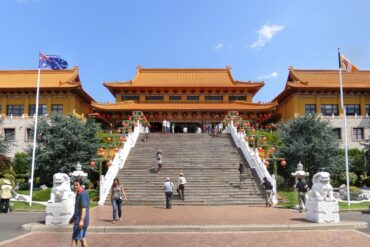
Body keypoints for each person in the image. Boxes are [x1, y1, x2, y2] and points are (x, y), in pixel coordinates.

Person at [70, 179, 90, 247]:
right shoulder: (79, 194)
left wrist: (81, 220)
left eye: (77, 185)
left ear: (81, 185)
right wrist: (73, 217)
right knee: (82, 238)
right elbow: (78, 208)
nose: (75, 186)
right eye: (74, 185)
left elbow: (84, 208)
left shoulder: (83, 194)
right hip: (79, 219)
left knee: (74, 239)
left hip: (80, 221)